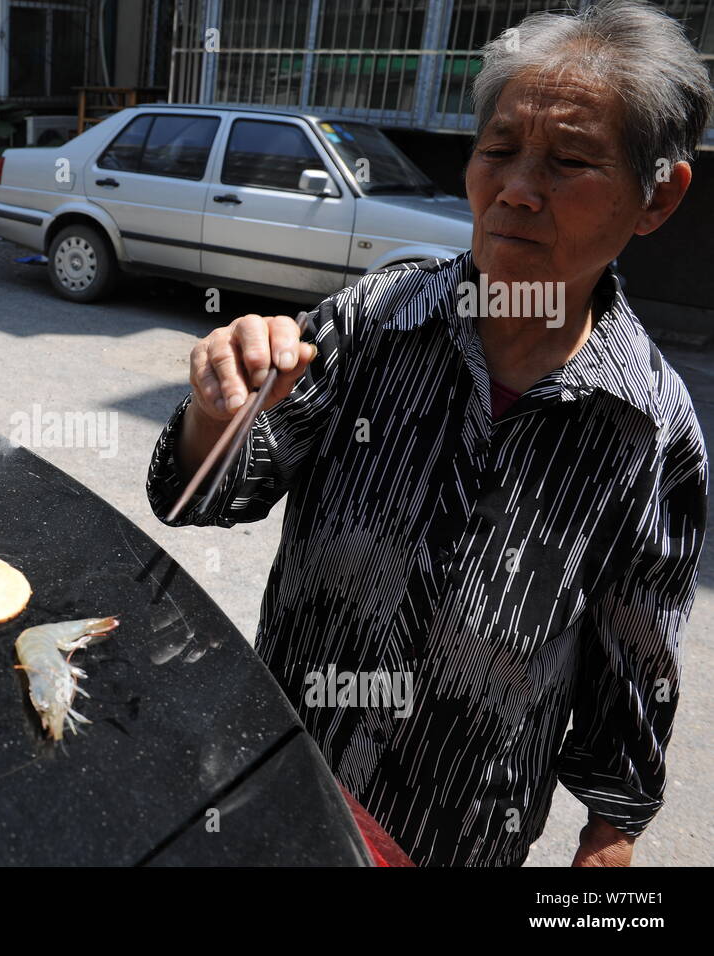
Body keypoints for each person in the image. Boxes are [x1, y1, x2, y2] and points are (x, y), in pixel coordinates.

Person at [146, 0, 712, 866]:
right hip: (279, 778)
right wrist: (219, 413)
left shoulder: (651, 431)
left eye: (568, 161)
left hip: (459, 833)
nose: (518, 188)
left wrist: (610, 832)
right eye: (497, 151)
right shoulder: (375, 319)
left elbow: (635, 663)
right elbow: (202, 496)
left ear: (657, 198)